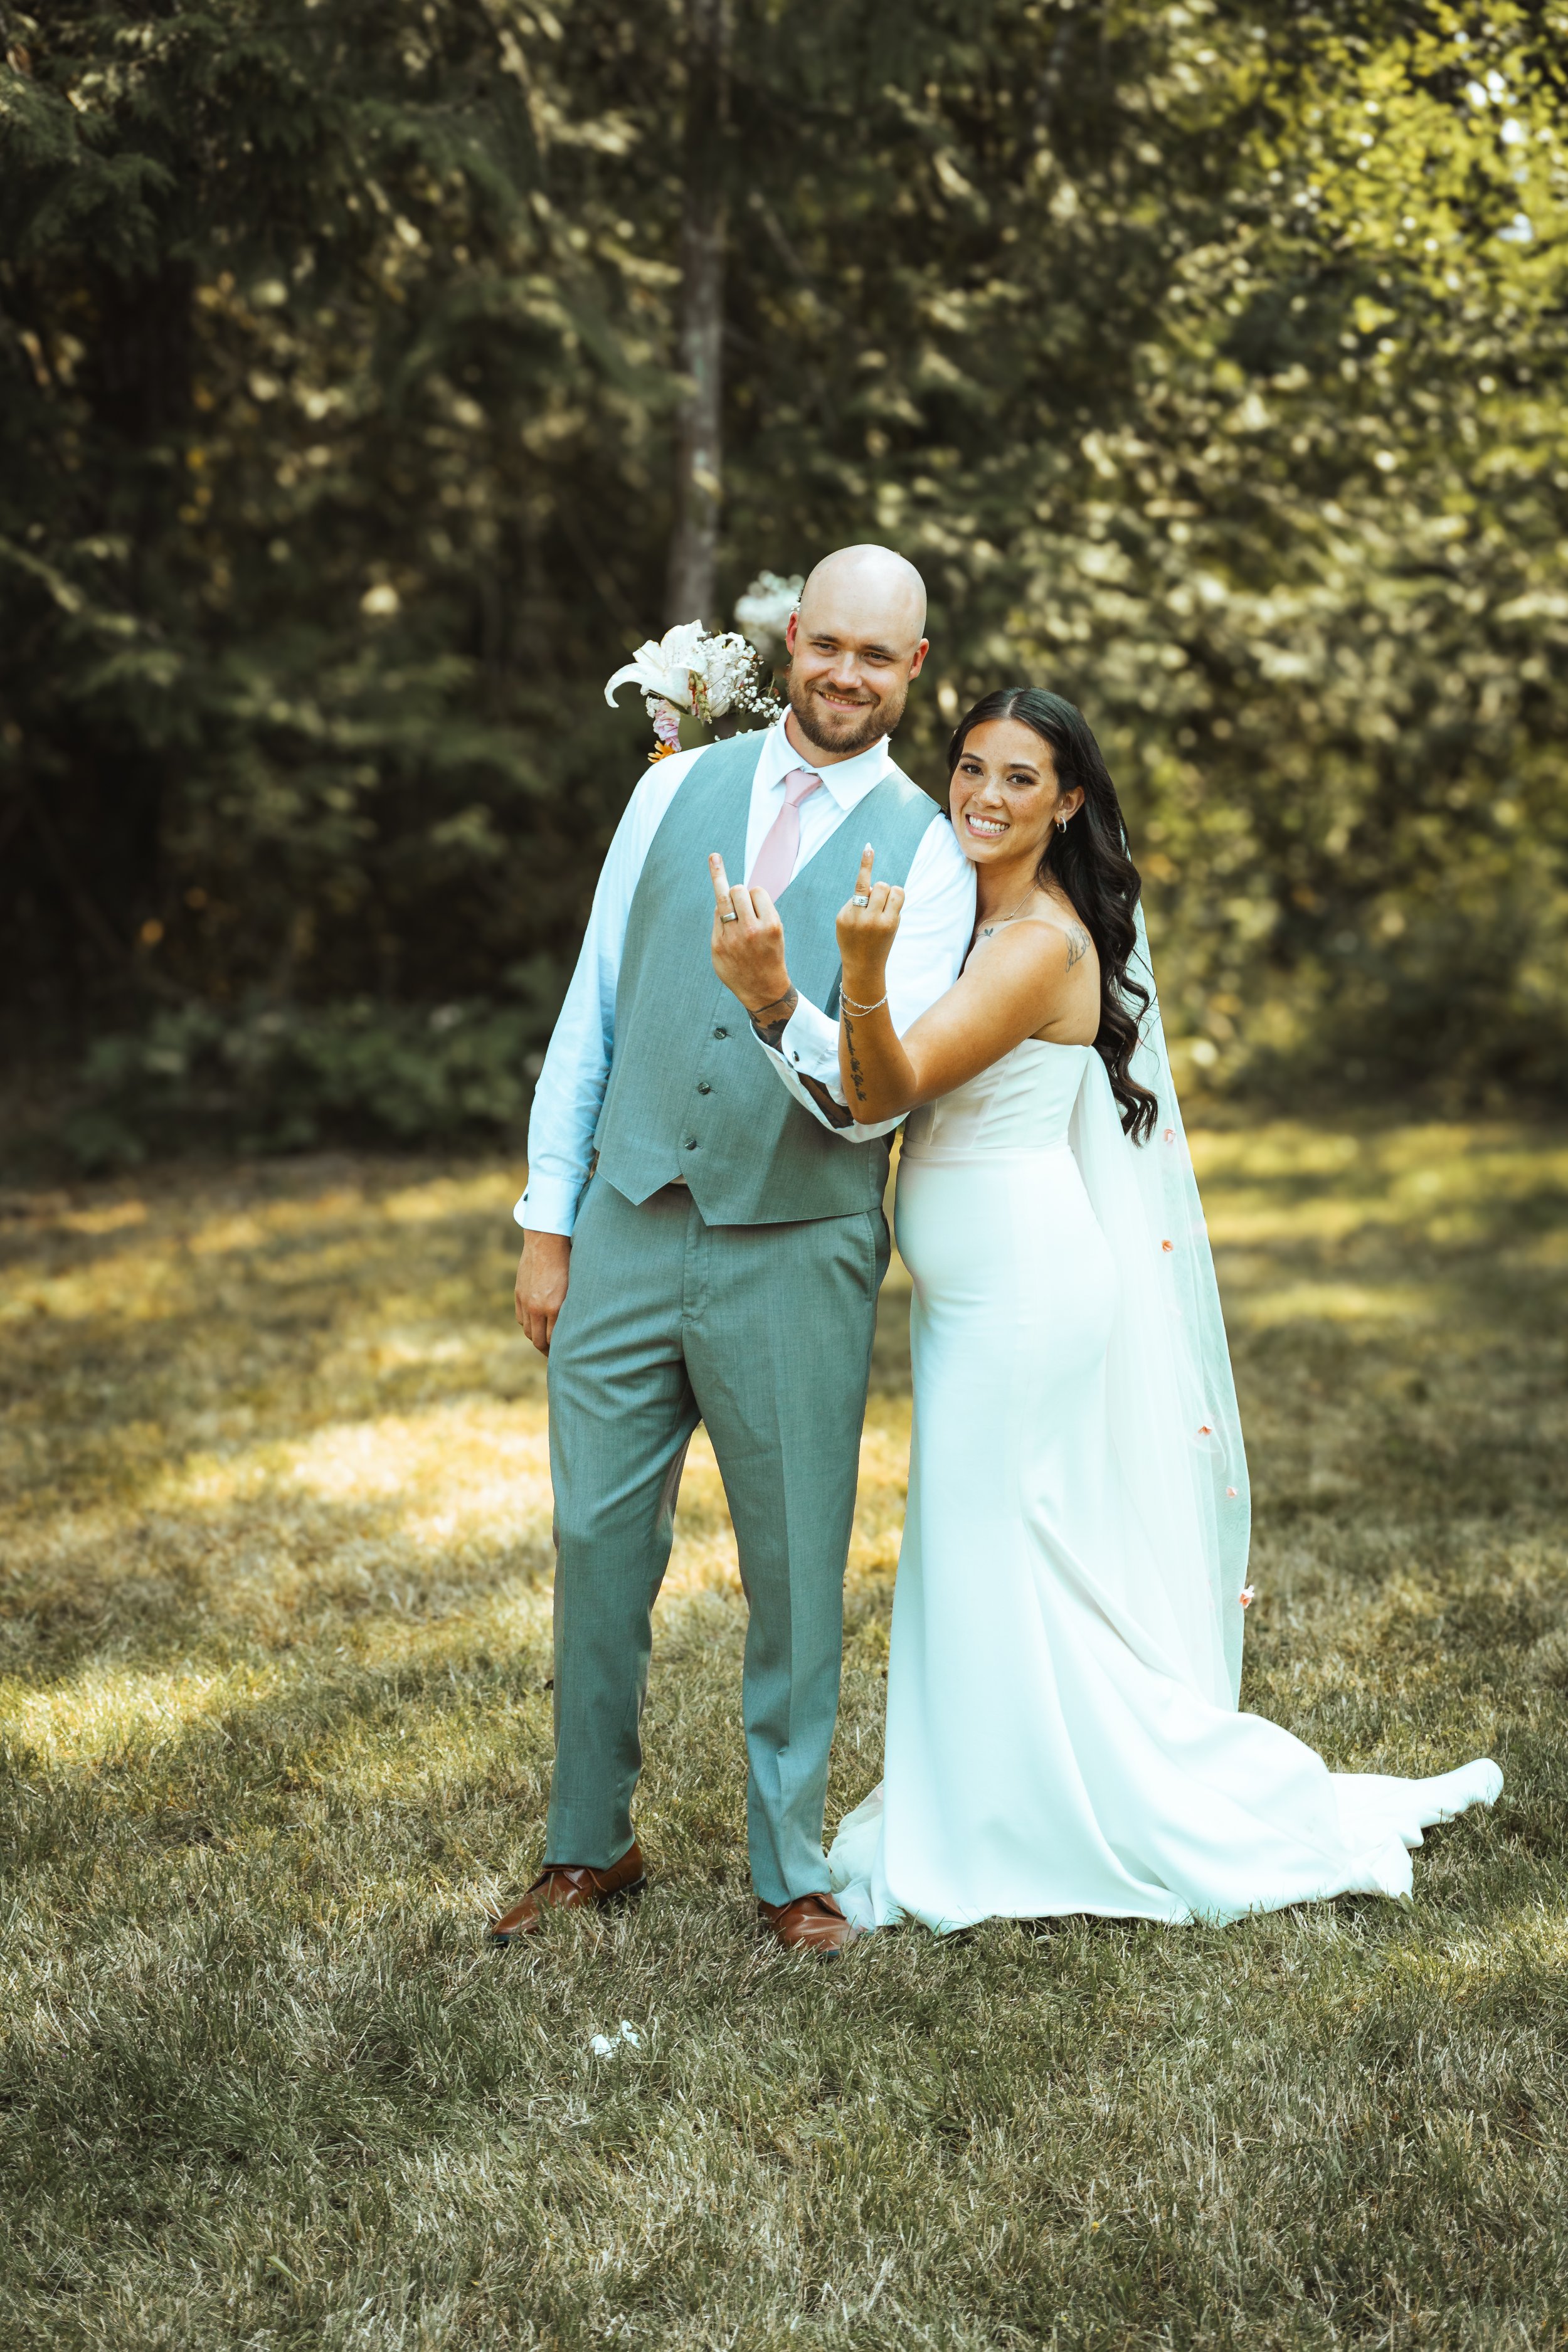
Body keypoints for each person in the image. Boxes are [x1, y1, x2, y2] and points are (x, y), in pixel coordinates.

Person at [714, 685, 1502, 1932]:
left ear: (1065, 802)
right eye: (969, 766)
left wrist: (819, 988)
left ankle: (1055, 1823)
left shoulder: (1033, 945)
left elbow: (886, 1086)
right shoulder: (963, 914)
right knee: (988, 1560)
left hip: (1022, 1292)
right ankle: (986, 1804)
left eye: (1018, 778)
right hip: (981, 1291)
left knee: (987, 1555)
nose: (981, 793)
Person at [491, 545, 975, 1956]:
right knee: (592, 1543)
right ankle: (589, 1845)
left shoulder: (931, 855)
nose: (844, 675)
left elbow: (877, 1093)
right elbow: (591, 1010)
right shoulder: (666, 788)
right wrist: (546, 1219)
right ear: (791, 644)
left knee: (791, 1563)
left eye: (876, 658)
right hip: (628, 1223)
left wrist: (778, 1006)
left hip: (796, 1248)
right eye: (826, 645)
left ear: (911, 672)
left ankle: (790, 1870)